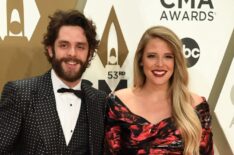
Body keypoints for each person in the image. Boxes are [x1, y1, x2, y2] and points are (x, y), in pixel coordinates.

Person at [0, 9, 106, 154]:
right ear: (50, 50)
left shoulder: (100, 101)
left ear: (89, 54)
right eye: (64, 45)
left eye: (80, 47)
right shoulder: (20, 93)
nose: (72, 53)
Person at [104, 26, 213, 155]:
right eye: (152, 56)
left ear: (176, 61)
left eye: (168, 56)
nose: (160, 64)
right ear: (141, 60)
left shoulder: (196, 105)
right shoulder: (117, 104)